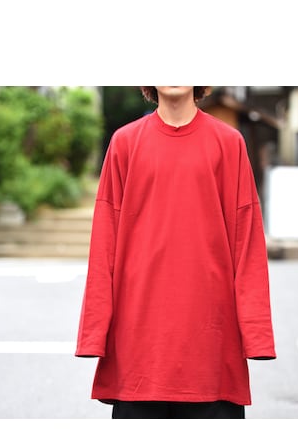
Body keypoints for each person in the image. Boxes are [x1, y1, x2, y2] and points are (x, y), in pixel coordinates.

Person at [75, 86, 276, 419]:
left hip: (211, 347)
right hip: (139, 347)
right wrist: (94, 333)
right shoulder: (125, 143)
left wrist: (256, 333)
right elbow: (104, 245)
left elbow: (247, 243)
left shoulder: (228, 143)